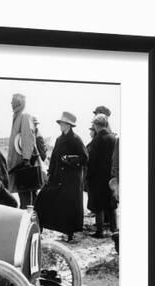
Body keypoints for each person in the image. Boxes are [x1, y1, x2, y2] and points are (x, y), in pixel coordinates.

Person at [34, 112, 88, 242]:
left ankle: (70, 234)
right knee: (42, 199)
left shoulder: (76, 139)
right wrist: (49, 173)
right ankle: (39, 227)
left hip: (71, 180)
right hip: (57, 177)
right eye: (60, 123)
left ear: (69, 125)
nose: (61, 125)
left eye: (63, 123)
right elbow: (53, 159)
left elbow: (85, 158)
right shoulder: (59, 139)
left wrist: (71, 159)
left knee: (69, 206)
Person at [86, 114, 118, 238]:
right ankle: (114, 229)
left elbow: (91, 161)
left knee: (98, 206)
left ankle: (100, 232)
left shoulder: (96, 140)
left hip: (97, 178)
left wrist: (89, 176)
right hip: (111, 177)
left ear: (96, 125)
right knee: (111, 204)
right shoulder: (113, 138)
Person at [7, 93, 39, 208]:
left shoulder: (24, 116)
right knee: (24, 193)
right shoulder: (17, 116)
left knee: (26, 195)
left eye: (12, 101)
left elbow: (27, 138)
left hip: (23, 164)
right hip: (19, 164)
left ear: (18, 103)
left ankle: (28, 218)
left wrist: (26, 160)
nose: (11, 103)